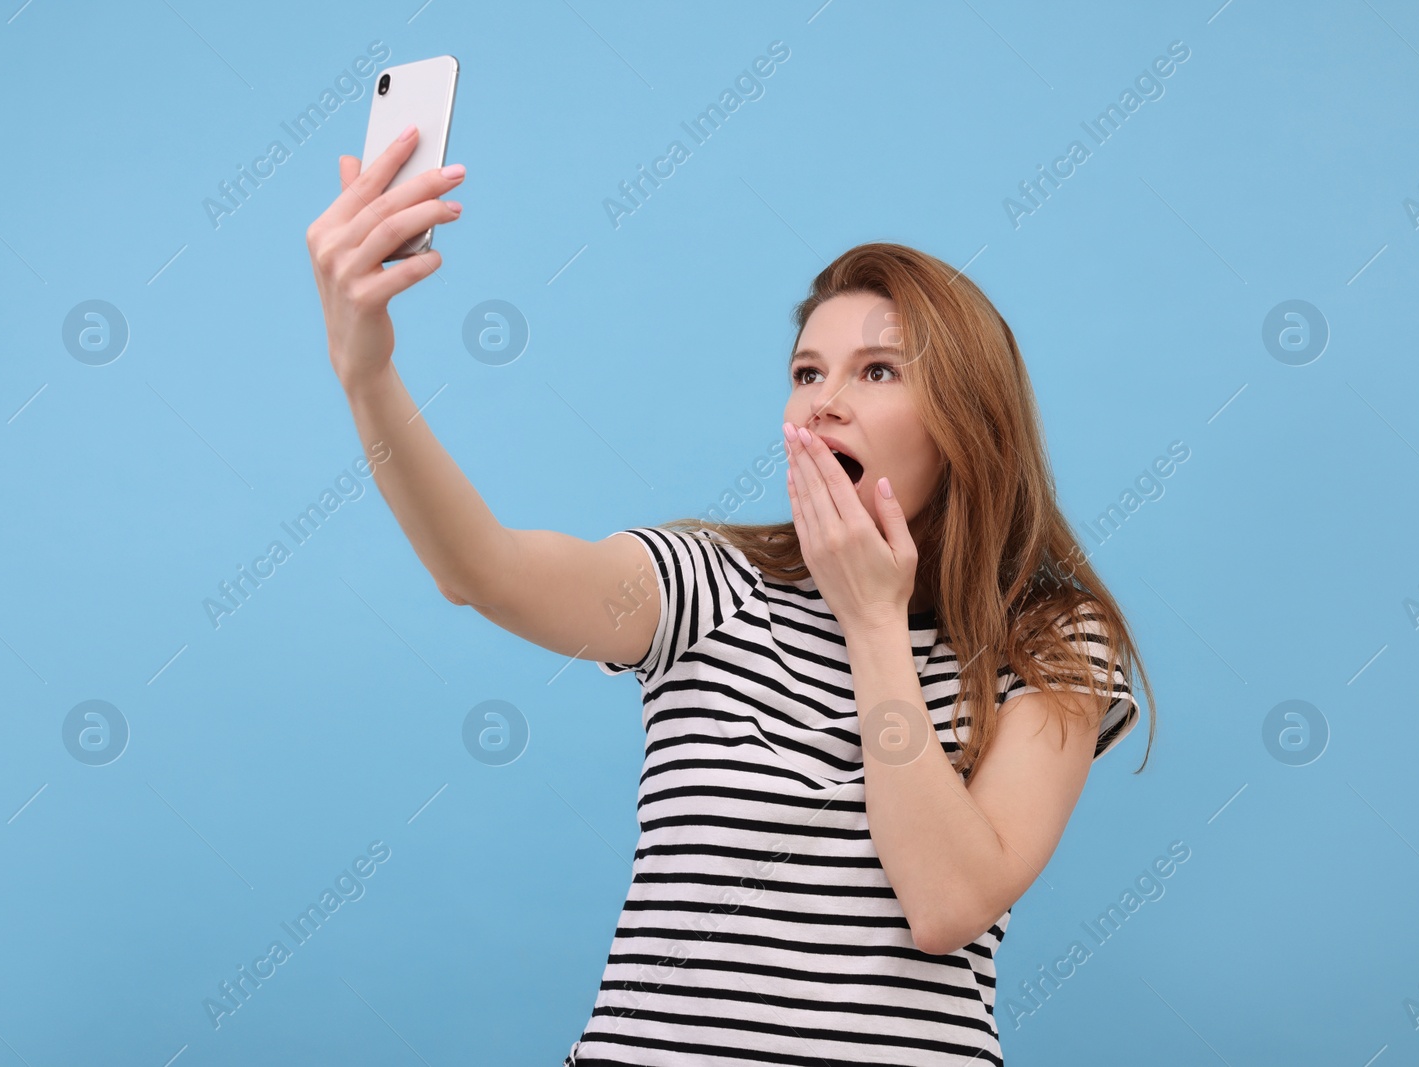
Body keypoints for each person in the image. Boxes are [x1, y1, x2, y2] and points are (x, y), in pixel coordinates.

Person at [307, 126, 1156, 1067]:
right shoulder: (709, 581)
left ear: (969, 418)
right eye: (807, 372)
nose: (823, 401)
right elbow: (481, 569)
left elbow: (948, 905)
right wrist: (368, 374)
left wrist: (873, 618)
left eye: (878, 370)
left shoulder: (1051, 639)